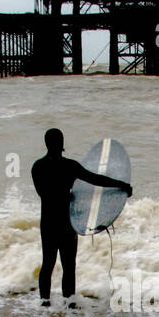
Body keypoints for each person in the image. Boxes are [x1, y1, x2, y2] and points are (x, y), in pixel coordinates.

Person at [31, 128, 131, 307]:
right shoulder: (70, 166)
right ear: (62, 144)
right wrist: (121, 185)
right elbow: (95, 179)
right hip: (66, 222)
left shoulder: (38, 167)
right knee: (68, 265)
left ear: (46, 143)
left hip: (48, 222)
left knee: (48, 263)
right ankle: (69, 304)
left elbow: (43, 193)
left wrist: (120, 185)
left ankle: (44, 304)